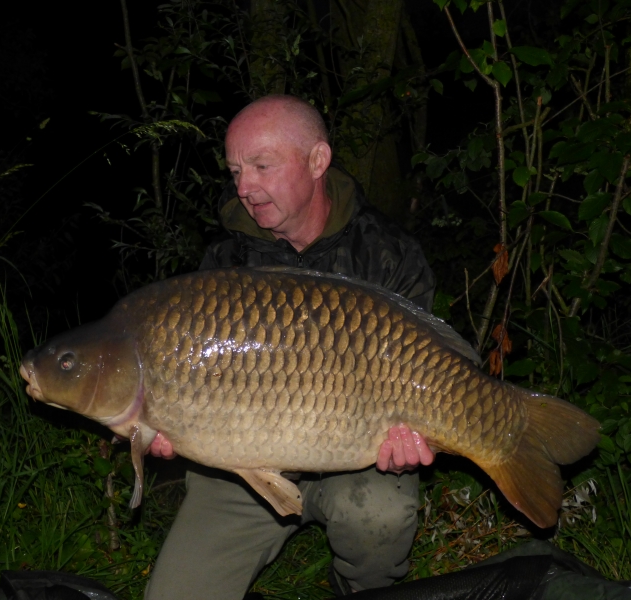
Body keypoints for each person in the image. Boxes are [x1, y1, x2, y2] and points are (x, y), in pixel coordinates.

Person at [143, 94, 438, 599]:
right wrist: (168, 425)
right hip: (241, 472)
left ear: (317, 161)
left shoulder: (387, 256)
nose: (243, 187)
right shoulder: (224, 260)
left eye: (261, 165)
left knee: (379, 519)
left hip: (355, 463)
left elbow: (433, 372)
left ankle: (353, 587)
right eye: (236, 169)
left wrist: (413, 442)